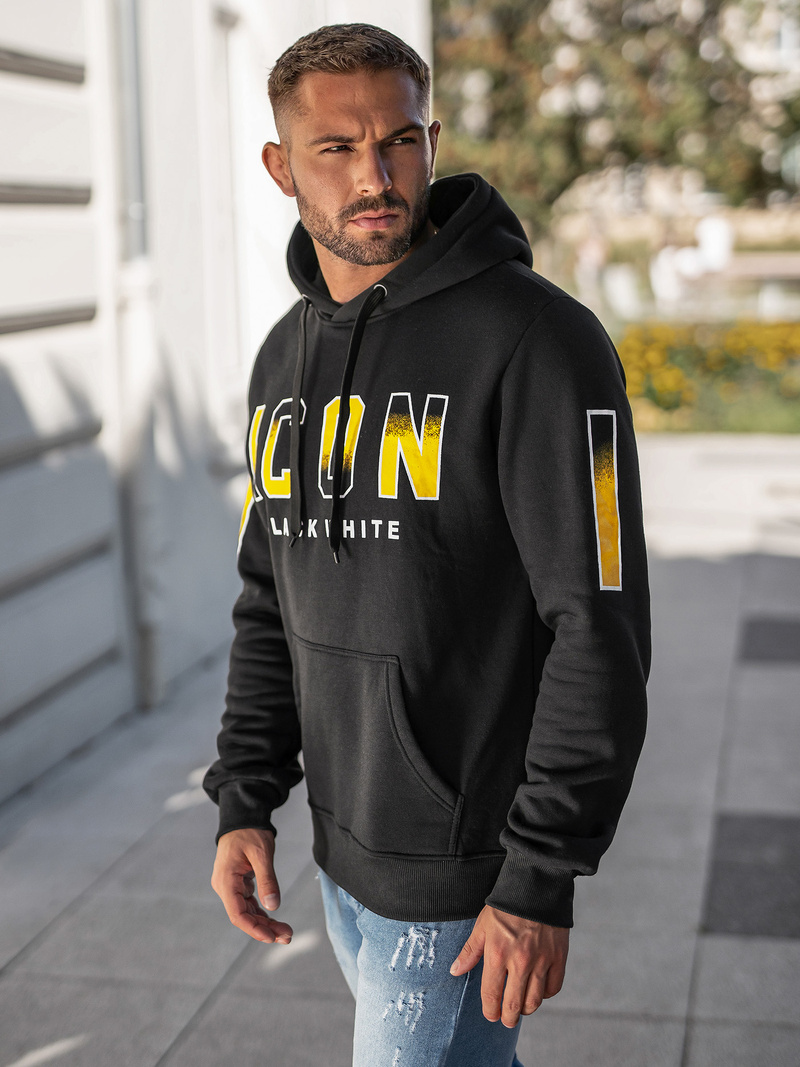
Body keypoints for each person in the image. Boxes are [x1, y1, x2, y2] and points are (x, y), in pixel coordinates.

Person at [203, 22, 650, 1067]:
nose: (375, 176)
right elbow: (269, 596)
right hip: (344, 849)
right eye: (336, 148)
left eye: (399, 141)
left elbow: (599, 620)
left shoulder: (545, 343)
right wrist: (244, 795)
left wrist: (540, 872)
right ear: (280, 166)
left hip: (466, 873)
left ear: (431, 141)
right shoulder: (282, 358)